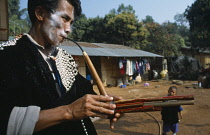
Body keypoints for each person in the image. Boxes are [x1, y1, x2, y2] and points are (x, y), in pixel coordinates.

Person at [0, 0, 123, 134]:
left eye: (71, 23)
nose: (69, 29)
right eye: (64, 19)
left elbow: (85, 96)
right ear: (40, 13)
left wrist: (105, 107)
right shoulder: (7, 56)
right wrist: (68, 111)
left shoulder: (65, 58)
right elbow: (5, 121)